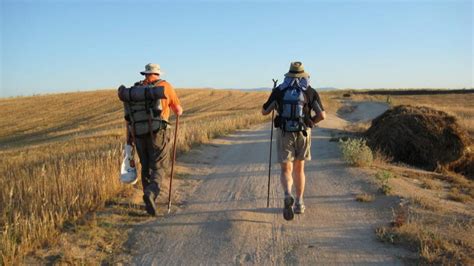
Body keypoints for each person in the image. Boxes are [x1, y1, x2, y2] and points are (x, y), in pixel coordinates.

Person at [261, 61, 326, 221]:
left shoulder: (280, 90)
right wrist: (310, 122)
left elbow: (264, 111)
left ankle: (287, 194)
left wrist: (274, 98)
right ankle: (299, 202)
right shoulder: (310, 91)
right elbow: (322, 115)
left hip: (285, 133)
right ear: (304, 75)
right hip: (303, 133)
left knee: (286, 170)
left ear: (289, 74)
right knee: (299, 169)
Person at [123, 63, 183, 216]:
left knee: (145, 165)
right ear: (158, 74)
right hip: (158, 133)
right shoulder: (165, 86)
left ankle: (148, 199)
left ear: (145, 74)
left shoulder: (135, 90)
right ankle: (151, 193)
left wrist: (129, 137)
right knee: (158, 167)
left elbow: (129, 117)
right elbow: (178, 110)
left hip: (138, 133)